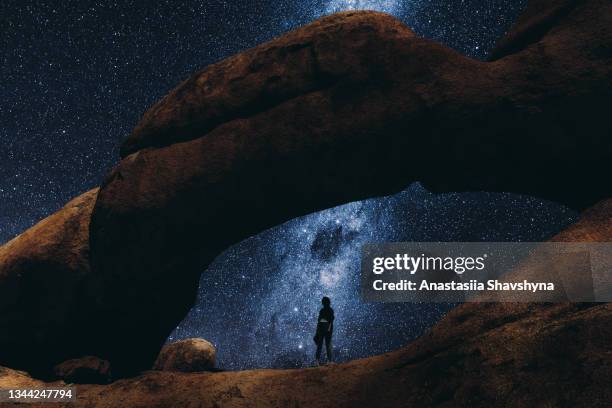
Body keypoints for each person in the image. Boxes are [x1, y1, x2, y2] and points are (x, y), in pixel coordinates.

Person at [313, 296, 334, 365]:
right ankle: (328, 361)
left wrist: (317, 332)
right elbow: (330, 321)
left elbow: (322, 321)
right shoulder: (328, 310)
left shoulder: (325, 310)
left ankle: (319, 361)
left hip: (323, 329)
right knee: (326, 345)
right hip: (324, 329)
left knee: (322, 345)